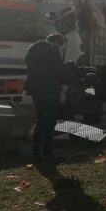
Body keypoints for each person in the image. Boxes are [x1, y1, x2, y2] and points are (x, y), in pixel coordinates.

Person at [24, 33, 65, 161]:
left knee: (40, 120)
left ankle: (35, 152)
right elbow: (59, 70)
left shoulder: (32, 49)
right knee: (51, 120)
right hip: (50, 88)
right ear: (57, 42)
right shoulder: (54, 51)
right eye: (60, 45)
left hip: (35, 89)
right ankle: (47, 153)